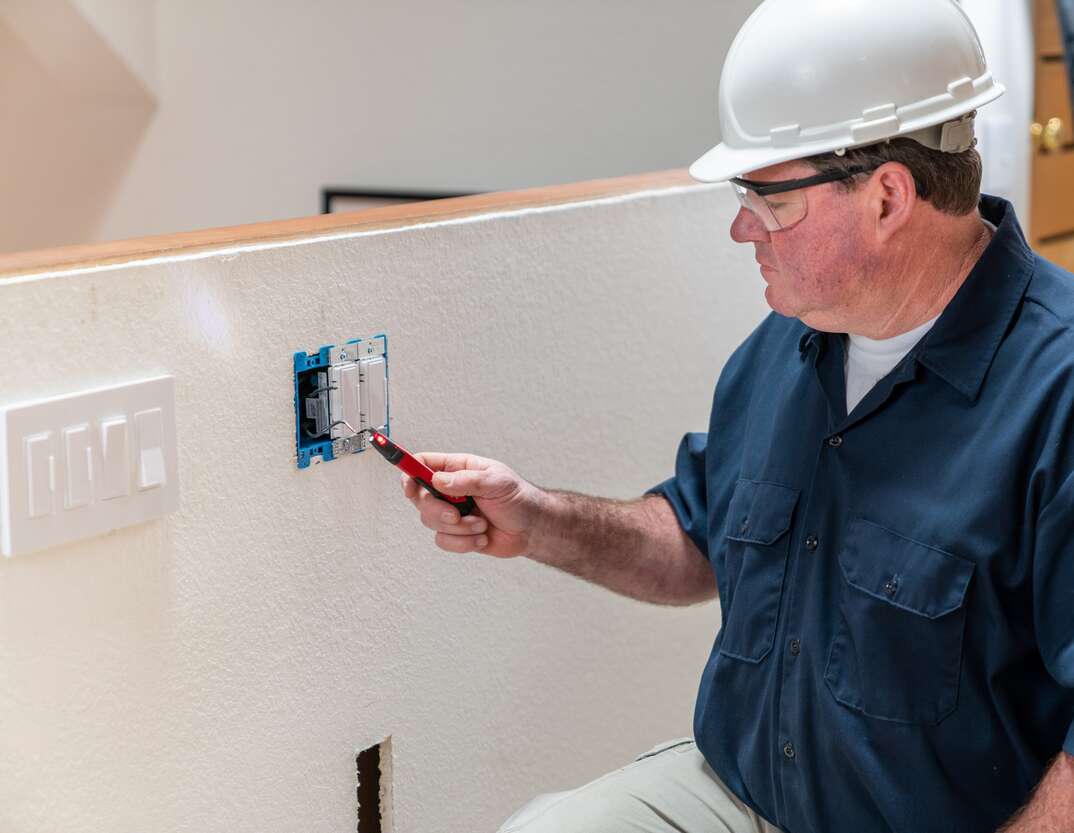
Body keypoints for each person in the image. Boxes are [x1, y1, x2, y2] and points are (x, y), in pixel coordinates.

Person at [400, 1, 1074, 830]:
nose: (739, 226)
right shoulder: (787, 346)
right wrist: (533, 517)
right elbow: (694, 537)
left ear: (889, 197)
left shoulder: (1057, 391)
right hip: (739, 792)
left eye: (768, 197)